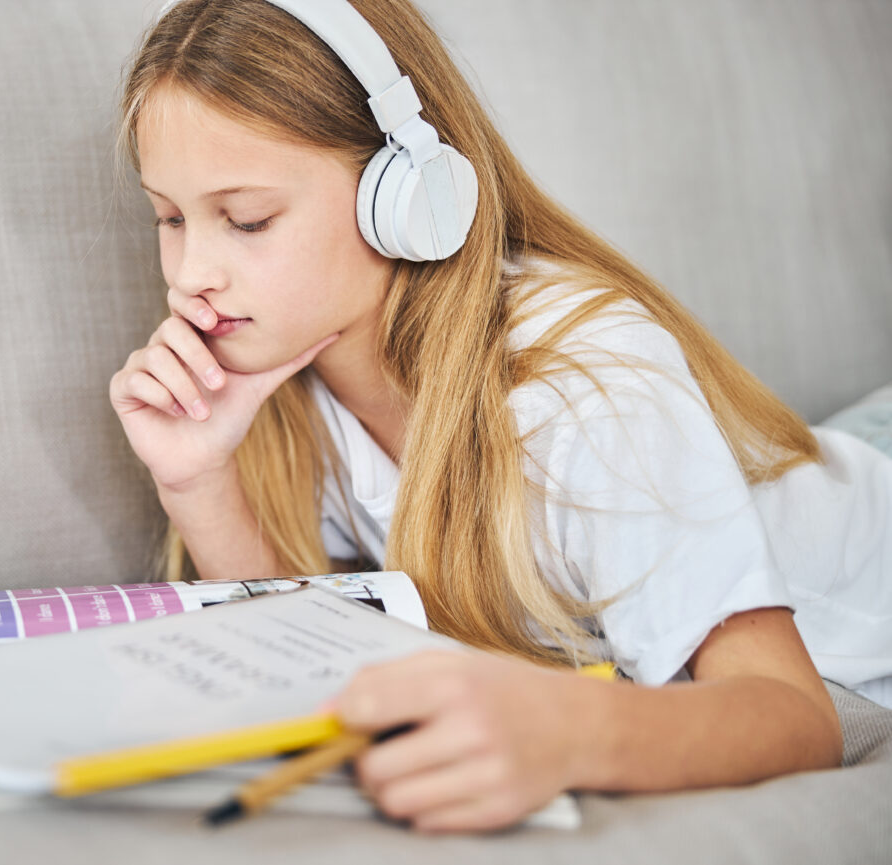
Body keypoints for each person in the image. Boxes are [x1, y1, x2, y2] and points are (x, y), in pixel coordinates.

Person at [108, 0, 892, 833]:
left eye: (248, 219)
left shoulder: (583, 382)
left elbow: (795, 715)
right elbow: (313, 649)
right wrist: (198, 480)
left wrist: (569, 729)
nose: (191, 272)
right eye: (170, 217)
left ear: (407, 194)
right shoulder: (287, 366)